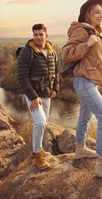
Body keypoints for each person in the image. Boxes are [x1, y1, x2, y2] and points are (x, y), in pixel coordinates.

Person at [61, 0, 102, 186]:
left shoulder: (94, 33)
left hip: (90, 82)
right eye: (96, 11)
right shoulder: (82, 31)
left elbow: (93, 58)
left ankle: (79, 149)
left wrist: (101, 44)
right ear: (87, 13)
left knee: (84, 118)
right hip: (84, 82)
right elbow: (66, 54)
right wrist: (87, 44)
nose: (100, 15)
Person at [17, 23, 59, 170]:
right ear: (33, 35)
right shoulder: (27, 52)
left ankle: (39, 149)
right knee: (40, 123)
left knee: (44, 124)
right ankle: (37, 155)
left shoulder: (52, 51)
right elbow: (22, 77)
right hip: (34, 96)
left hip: (46, 95)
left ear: (46, 35)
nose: (38, 37)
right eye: (36, 34)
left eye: (41, 34)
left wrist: (55, 88)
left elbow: (55, 72)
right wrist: (33, 97)